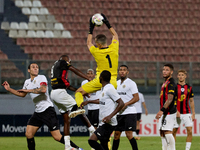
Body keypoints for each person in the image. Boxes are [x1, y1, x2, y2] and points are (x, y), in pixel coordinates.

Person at [2, 63, 70, 150]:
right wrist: (9, 89)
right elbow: (22, 94)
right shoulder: (27, 82)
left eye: (37, 67)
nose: (36, 68)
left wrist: (28, 90)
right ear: (28, 70)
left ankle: (75, 148)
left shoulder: (41, 77)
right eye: (33, 67)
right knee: (29, 134)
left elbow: (43, 89)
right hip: (38, 112)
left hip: (47, 110)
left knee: (57, 137)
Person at [71, 13, 119, 118]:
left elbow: (88, 43)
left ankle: (79, 107)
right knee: (109, 105)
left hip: (100, 80)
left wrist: (91, 28)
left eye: (96, 43)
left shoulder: (97, 52)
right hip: (113, 81)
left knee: (79, 92)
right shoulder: (114, 48)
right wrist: (107, 23)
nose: (96, 45)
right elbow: (115, 35)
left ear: (99, 44)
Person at [50, 55, 96, 150]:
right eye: (69, 62)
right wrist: (87, 78)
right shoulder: (62, 61)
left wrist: (80, 92)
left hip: (54, 94)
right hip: (60, 93)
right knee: (79, 107)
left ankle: (67, 146)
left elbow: (69, 86)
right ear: (67, 60)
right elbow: (74, 69)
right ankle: (92, 130)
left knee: (67, 120)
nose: (69, 64)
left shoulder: (58, 70)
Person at [81, 70, 124, 150]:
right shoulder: (104, 88)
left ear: (101, 78)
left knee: (92, 140)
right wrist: (89, 101)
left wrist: (110, 116)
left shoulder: (109, 88)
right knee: (104, 144)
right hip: (103, 122)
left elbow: (121, 103)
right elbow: (101, 100)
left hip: (108, 123)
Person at [112, 65, 139, 150]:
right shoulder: (116, 83)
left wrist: (125, 104)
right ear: (118, 72)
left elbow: (136, 98)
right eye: (120, 70)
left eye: (124, 70)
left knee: (129, 134)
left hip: (129, 112)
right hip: (119, 113)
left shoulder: (131, 83)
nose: (122, 71)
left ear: (127, 72)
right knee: (116, 134)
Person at [155, 63, 177, 150]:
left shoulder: (171, 83)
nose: (164, 71)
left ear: (171, 72)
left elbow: (170, 98)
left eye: (167, 70)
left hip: (169, 112)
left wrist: (162, 110)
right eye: (163, 70)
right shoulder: (165, 82)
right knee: (162, 132)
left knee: (167, 131)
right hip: (165, 112)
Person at [173, 69, 195, 150]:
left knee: (189, 131)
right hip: (176, 113)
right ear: (177, 76)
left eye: (182, 75)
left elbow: (191, 101)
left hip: (187, 113)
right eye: (179, 75)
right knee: (174, 131)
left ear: (185, 76)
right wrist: (176, 111)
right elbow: (172, 100)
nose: (181, 76)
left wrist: (193, 113)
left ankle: (187, 149)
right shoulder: (174, 87)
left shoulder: (189, 88)